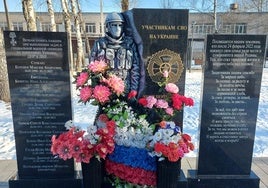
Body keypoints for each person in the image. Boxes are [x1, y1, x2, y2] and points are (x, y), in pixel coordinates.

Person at [90, 12, 144, 99]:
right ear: (108, 26)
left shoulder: (129, 44)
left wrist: (134, 89)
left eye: (120, 25)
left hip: (126, 89)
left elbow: (135, 68)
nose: (118, 28)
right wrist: (96, 90)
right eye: (114, 25)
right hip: (106, 90)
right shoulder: (99, 44)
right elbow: (92, 69)